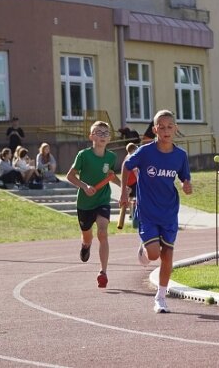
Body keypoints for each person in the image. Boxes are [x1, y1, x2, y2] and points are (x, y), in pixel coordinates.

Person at [119, 110, 192, 313]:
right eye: (162, 127)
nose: (166, 130)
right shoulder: (145, 151)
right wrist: (124, 191)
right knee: (153, 254)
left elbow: (185, 178)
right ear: (155, 130)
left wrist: (187, 185)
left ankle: (160, 297)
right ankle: (144, 248)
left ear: (175, 129)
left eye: (170, 126)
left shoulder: (180, 155)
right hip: (148, 211)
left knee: (167, 254)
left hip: (169, 212)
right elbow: (126, 165)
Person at [66, 121, 121, 289]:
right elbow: (70, 176)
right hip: (85, 202)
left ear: (110, 137)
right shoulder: (84, 155)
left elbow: (111, 175)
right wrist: (84, 186)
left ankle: (103, 272)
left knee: (103, 233)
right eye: (99, 132)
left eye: (106, 133)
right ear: (91, 136)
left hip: (102, 200)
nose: (103, 135)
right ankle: (85, 245)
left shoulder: (111, 157)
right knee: (88, 236)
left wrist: (123, 188)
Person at [122, 142, 139, 221]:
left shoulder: (126, 157)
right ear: (133, 150)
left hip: (127, 182)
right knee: (133, 198)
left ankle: (130, 214)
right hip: (132, 181)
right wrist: (138, 179)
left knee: (130, 198)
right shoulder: (132, 157)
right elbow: (135, 170)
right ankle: (132, 214)